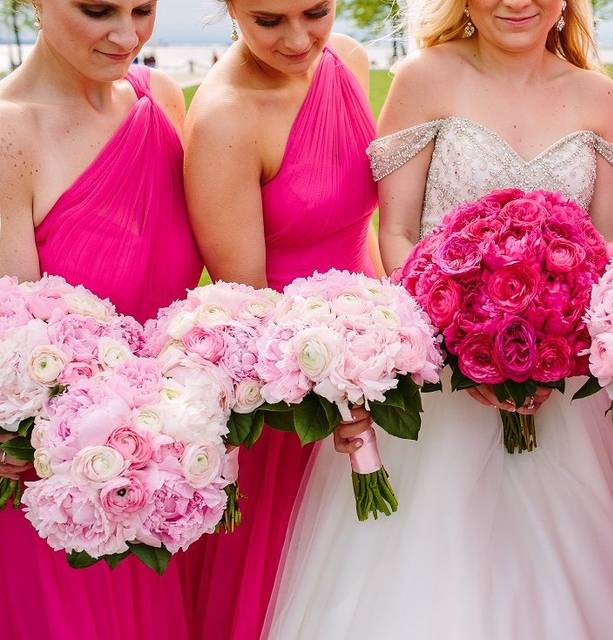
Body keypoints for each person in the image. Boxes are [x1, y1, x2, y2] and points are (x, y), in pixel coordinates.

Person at [264, 0, 613, 637]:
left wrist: (552, 354)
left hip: (557, 395)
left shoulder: (600, 97)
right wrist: (460, 345)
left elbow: (604, 250)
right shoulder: (427, 78)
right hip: (438, 385)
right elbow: (393, 231)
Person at [0, 0, 202, 637]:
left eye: (143, 9)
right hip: (58, 488)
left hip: (171, 475)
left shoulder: (160, 98)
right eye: (96, 9)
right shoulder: (9, 136)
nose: (126, 35)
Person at [182, 1, 378, 638]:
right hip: (290, 392)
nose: (299, 39)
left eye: (315, 11)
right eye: (269, 21)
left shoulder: (345, 58)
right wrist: (333, 387)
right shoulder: (225, 118)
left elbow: (363, 230)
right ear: (231, 8)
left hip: (375, 358)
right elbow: (249, 302)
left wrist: (387, 345)